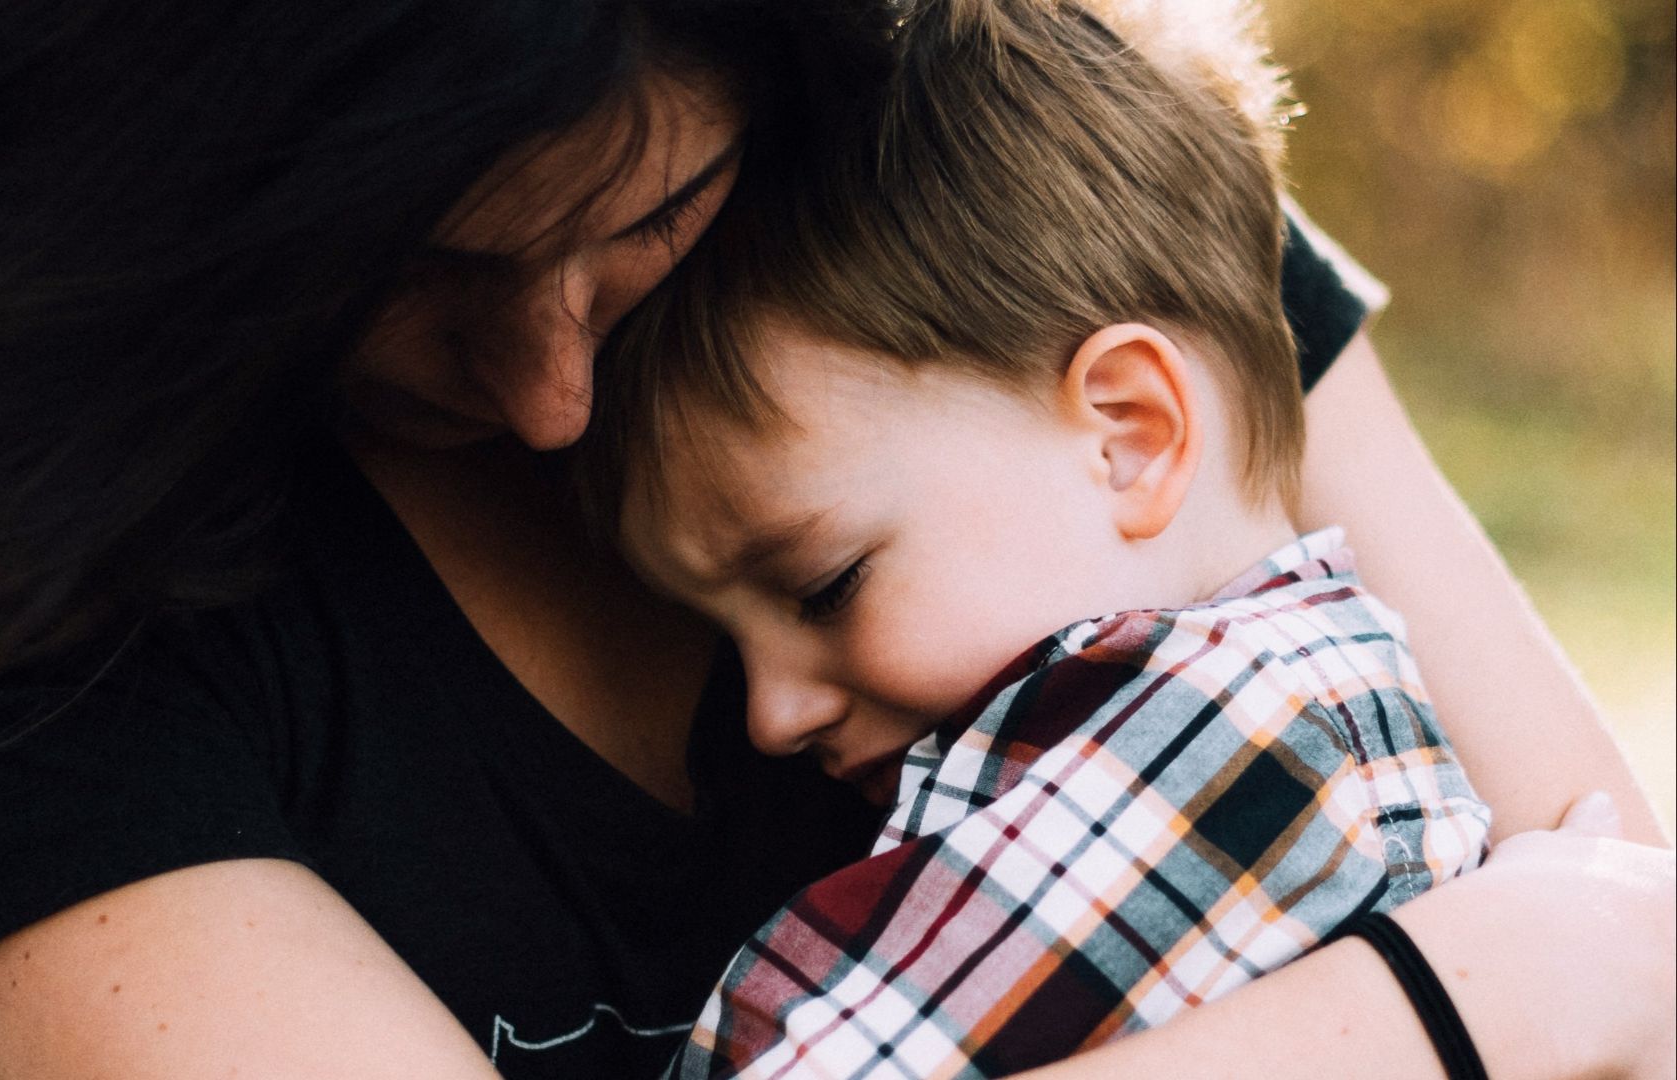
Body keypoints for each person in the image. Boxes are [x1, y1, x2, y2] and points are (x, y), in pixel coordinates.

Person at [0, 2, 1667, 1079]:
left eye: (649, 216)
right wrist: (1452, 1001)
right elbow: (1602, 954)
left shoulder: (1021, 206)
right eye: (404, 271)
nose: (552, 395)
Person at [581, 1, 1488, 1073]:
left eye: (826, 586)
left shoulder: (1226, 745)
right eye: (723, 638)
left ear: (1129, 437)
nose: (769, 714)